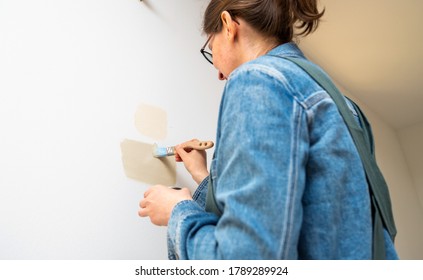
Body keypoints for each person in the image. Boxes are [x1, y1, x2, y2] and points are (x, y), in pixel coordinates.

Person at [138, 0, 399, 259]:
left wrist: (177, 212)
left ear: (228, 26)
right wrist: (203, 176)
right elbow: (304, 213)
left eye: (211, 49)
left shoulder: (258, 79)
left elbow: (250, 260)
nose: (218, 74)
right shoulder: (345, 107)